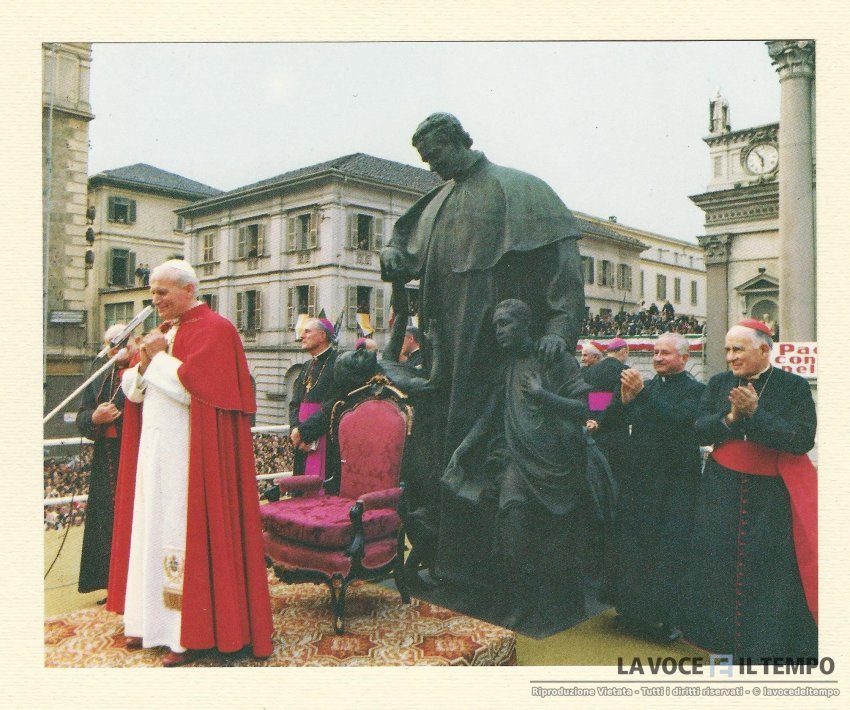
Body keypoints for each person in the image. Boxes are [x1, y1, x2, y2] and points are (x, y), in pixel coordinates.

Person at [380, 112, 585, 589]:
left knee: (481, 457)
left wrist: (559, 327)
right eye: (425, 160)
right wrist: (392, 255)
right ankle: (446, 561)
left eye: (436, 155)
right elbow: (403, 249)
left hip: (493, 354)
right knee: (438, 453)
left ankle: (488, 572)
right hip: (442, 353)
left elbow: (564, 270)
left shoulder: (522, 190)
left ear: (459, 141)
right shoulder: (436, 201)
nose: (432, 166)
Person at [106, 260, 273, 667]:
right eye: (152, 293)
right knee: (151, 527)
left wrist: (158, 359)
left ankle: (185, 634)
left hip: (190, 455)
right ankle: (149, 622)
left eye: (162, 292)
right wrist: (144, 362)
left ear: (188, 290)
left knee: (180, 534)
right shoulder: (163, 332)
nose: (155, 300)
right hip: (154, 449)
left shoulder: (217, 329)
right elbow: (134, 391)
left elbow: (195, 389)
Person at [443, 300, 595, 632]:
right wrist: (463, 449)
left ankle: (549, 602)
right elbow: (489, 415)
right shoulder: (508, 367)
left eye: (505, 323)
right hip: (518, 460)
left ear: (525, 324)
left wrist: (544, 396)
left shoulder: (556, 359)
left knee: (554, 538)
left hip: (555, 464)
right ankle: (518, 599)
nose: (499, 331)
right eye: (496, 326)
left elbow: (584, 408)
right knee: (511, 520)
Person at [683, 319, 817, 660]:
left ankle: (766, 648)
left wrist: (756, 414)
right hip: (721, 490)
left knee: (769, 570)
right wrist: (730, 417)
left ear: (764, 349)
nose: (730, 357)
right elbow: (698, 430)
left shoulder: (793, 387)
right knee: (719, 567)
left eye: (738, 349)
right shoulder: (718, 383)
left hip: (771, 494)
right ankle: (720, 645)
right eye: (727, 349)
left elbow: (802, 439)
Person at [597, 332, 705, 642]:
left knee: (666, 551)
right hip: (640, 480)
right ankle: (631, 610)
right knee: (633, 547)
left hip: (674, 484)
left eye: (665, 353)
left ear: (684, 358)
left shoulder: (697, 390)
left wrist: (641, 395)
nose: (657, 358)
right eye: (655, 352)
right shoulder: (645, 387)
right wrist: (622, 402)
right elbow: (609, 421)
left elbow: (680, 424)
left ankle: (664, 619)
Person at [75, 325, 137, 597]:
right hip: (107, 460)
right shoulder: (100, 376)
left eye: (120, 342)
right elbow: (81, 416)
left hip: (136, 455)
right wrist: (94, 417)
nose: (115, 348)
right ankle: (113, 585)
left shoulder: (143, 369)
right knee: (106, 522)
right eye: (110, 344)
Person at [289, 317, 343, 491]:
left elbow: (333, 405)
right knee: (300, 490)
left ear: (322, 336)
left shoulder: (338, 364)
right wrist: (295, 430)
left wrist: (304, 432)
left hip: (324, 438)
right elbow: (294, 403)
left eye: (307, 331)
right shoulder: (306, 366)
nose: (301, 336)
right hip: (302, 440)